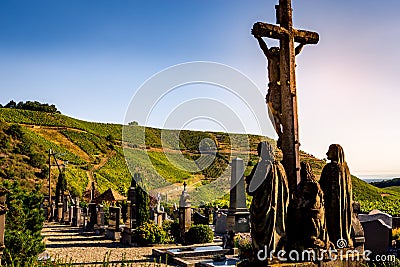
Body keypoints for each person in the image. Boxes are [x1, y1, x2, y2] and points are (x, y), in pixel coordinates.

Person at [251, 27, 304, 149]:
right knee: (276, 115)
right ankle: (283, 135)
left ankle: (284, 135)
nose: (274, 50)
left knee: (276, 115)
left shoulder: (278, 58)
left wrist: (302, 42)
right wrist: (302, 43)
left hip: (278, 90)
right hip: (277, 89)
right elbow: (295, 51)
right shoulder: (274, 58)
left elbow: (294, 51)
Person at [245, 141, 289, 262]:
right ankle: (275, 251)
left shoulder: (262, 166)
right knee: (275, 228)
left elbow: (251, 189)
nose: (258, 153)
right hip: (278, 207)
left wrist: (248, 181)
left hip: (263, 206)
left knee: (263, 231)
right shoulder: (280, 167)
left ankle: (263, 253)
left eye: (259, 150)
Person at [319, 144, 353, 248]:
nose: (327, 153)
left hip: (332, 204)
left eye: (329, 151)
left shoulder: (330, 168)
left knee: (332, 224)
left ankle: (334, 240)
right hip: (343, 205)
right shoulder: (345, 168)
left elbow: (322, 186)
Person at [297, 162, 331, 249]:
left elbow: (314, 200)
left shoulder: (312, 184)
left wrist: (302, 204)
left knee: (312, 228)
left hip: (314, 212)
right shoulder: (307, 184)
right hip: (314, 211)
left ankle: (315, 241)